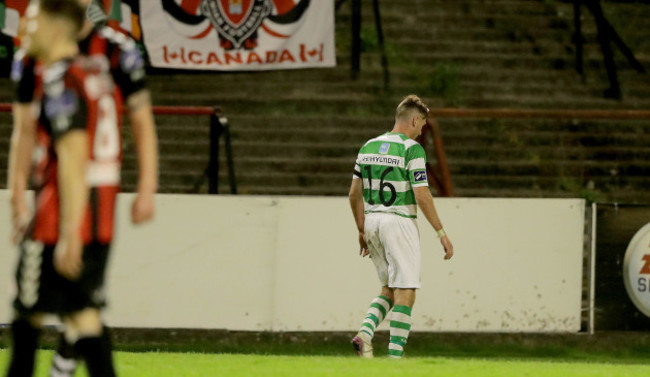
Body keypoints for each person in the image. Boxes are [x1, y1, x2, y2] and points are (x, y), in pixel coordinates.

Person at [8, 1, 158, 374]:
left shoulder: (66, 77)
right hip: (99, 213)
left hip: (61, 211)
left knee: (29, 314)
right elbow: (25, 130)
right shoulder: (90, 72)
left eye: (35, 19)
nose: (27, 27)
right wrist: (16, 194)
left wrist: (67, 230)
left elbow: (73, 159)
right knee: (84, 314)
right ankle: (65, 365)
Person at [348, 95, 454, 359]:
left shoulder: (368, 146)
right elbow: (421, 195)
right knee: (406, 289)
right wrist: (441, 232)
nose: (421, 132)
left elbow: (353, 194)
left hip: (372, 220)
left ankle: (364, 334)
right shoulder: (412, 149)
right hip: (399, 221)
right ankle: (395, 359)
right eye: (422, 126)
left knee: (389, 288)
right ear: (415, 120)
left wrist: (361, 229)